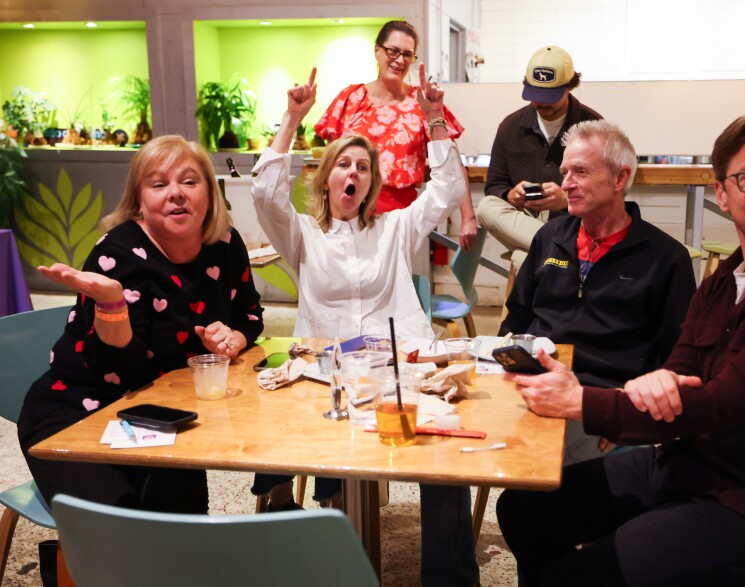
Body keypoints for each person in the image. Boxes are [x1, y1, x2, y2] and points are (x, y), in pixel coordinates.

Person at [496, 105, 745, 586]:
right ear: (722, 193)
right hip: (692, 468)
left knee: (575, 577)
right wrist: (656, 382)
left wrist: (584, 402)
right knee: (524, 508)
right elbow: (680, 365)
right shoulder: (729, 276)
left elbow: (721, 403)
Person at [251, 66, 480, 587]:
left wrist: (435, 119)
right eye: (344, 165)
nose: (353, 174)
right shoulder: (304, 235)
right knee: (275, 423)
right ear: (326, 177)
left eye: (363, 167)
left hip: (396, 370)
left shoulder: (394, 228)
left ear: (371, 182)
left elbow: (445, 190)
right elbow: (265, 197)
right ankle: (296, 520)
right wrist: (291, 118)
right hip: (324, 372)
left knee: (442, 454)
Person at [18, 135, 264, 514]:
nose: (176, 193)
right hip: (78, 410)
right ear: (139, 200)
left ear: (210, 194)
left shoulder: (226, 243)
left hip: (163, 414)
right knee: (115, 520)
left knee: (182, 514)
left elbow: (249, 314)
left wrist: (234, 336)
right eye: (159, 184)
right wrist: (112, 304)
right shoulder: (116, 254)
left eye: (189, 181)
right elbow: (120, 368)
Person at [501, 119, 695, 463]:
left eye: (580, 172)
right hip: (537, 385)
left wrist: (619, 414)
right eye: (565, 172)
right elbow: (517, 316)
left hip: (600, 402)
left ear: (620, 178)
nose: (566, 184)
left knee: (535, 480)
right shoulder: (550, 238)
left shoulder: (666, 259)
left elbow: (674, 360)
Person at [314, 19, 478, 252]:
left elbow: (451, 161)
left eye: (407, 55)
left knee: (393, 283)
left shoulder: (421, 103)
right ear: (377, 50)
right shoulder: (351, 99)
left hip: (400, 216)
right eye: (393, 51)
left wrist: (468, 216)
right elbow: (330, 164)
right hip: (346, 212)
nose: (399, 60)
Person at [476, 45, 602, 272]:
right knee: (486, 207)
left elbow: (606, 193)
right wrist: (511, 195)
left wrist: (566, 199)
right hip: (523, 220)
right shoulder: (511, 126)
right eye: (536, 96)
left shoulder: (592, 127)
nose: (542, 104)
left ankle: (547, 249)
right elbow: (494, 186)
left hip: (573, 224)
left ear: (570, 86)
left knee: (524, 259)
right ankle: (559, 249)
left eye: (550, 97)